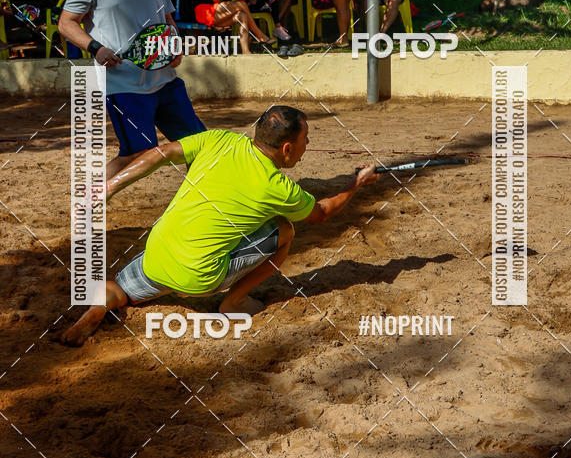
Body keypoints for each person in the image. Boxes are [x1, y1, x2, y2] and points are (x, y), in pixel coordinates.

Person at [56, 106, 379, 347]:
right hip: (202, 278)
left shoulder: (219, 139)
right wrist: (357, 184)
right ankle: (233, 301)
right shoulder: (277, 188)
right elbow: (322, 212)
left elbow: (161, 152)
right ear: (287, 148)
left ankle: (98, 307)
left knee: (119, 289)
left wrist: (111, 185)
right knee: (284, 230)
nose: (308, 144)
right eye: (306, 139)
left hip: (159, 257)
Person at [58, 0, 206, 180]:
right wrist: (96, 49)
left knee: (200, 147)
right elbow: (66, 23)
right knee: (138, 152)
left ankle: (206, 207)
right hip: (124, 85)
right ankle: (90, 203)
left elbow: (168, 17)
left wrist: (174, 46)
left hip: (165, 81)